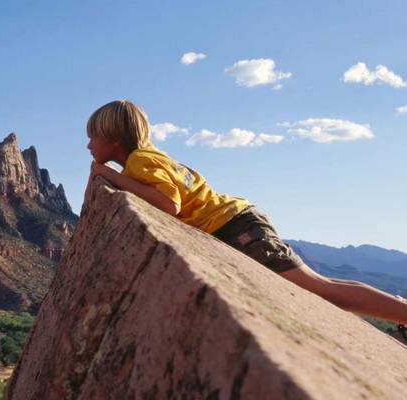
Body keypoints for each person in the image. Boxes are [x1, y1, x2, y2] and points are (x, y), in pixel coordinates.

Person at [86, 99, 407, 333]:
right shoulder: (151, 157)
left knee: (320, 290)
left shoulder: (140, 162)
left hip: (235, 227)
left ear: (113, 139)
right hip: (239, 219)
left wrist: (111, 176)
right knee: (322, 285)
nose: (88, 145)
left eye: (93, 137)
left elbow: (169, 205)